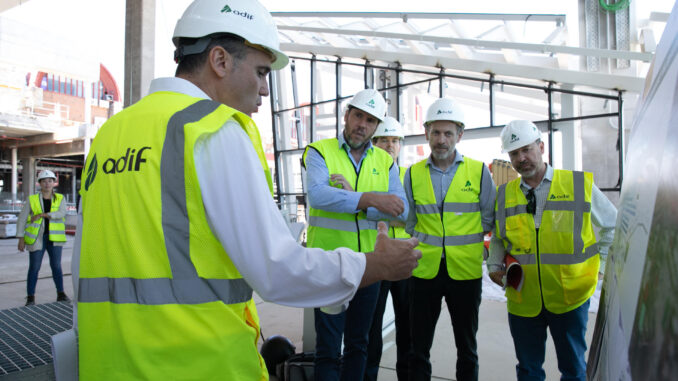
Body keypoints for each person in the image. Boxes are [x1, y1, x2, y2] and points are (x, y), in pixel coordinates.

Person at [74, 0, 421, 380]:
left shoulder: (111, 133)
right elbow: (276, 269)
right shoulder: (212, 129)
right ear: (220, 61)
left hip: (106, 363)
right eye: (260, 71)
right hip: (197, 363)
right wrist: (372, 264)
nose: (265, 89)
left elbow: (84, 267)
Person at [488, 120, 617, 381]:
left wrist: (601, 267)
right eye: (514, 153)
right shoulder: (504, 195)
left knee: (573, 370)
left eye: (526, 149)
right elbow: (500, 237)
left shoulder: (577, 184)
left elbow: (614, 226)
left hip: (569, 296)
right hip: (524, 298)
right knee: (528, 369)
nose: (521, 158)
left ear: (541, 146)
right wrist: (493, 265)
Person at [303, 89, 409, 381]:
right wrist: (372, 199)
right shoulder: (319, 151)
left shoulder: (385, 162)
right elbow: (319, 195)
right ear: (346, 115)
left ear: (376, 127)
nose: (362, 124)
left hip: (367, 267)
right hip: (329, 265)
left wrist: (359, 202)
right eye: (358, 116)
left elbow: (401, 211)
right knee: (327, 348)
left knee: (358, 345)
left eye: (371, 121)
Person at [404, 98, 496, 381]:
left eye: (448, 133)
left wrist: (459, 238)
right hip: (424, 271)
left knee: (467, 347)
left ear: (460, 135)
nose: (441, 140)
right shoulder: (413, 173)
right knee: (418, 347)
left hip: (465, 271)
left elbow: (488, 216)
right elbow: (409, 220)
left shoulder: (478, 171)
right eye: (436, 132)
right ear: (427, 133)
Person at [365, 116, 412, 381]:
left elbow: (411, 215)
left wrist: (375, 209)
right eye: (384, 140)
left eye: (395, 141)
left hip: (404, 259)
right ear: (375, 143)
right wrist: (381, 208)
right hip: (376, 258)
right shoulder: (368, 173)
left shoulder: (409, 176)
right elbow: (359, 211)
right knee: (371, 327)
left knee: (407, 326)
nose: (390, 145)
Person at [17, 169, 69, 306]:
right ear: (39, 183)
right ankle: (30, 298)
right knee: (34, 268)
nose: (47, 183)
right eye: (44, 181)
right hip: (37, 238)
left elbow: (62, 213)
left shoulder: (60, 198)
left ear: (54, 183)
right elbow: (22, 219)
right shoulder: (32, 199)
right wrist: (20, 238)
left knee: (56, 266)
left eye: (50, 181)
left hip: (54, 239)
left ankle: (61, 294)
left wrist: (44, 215)